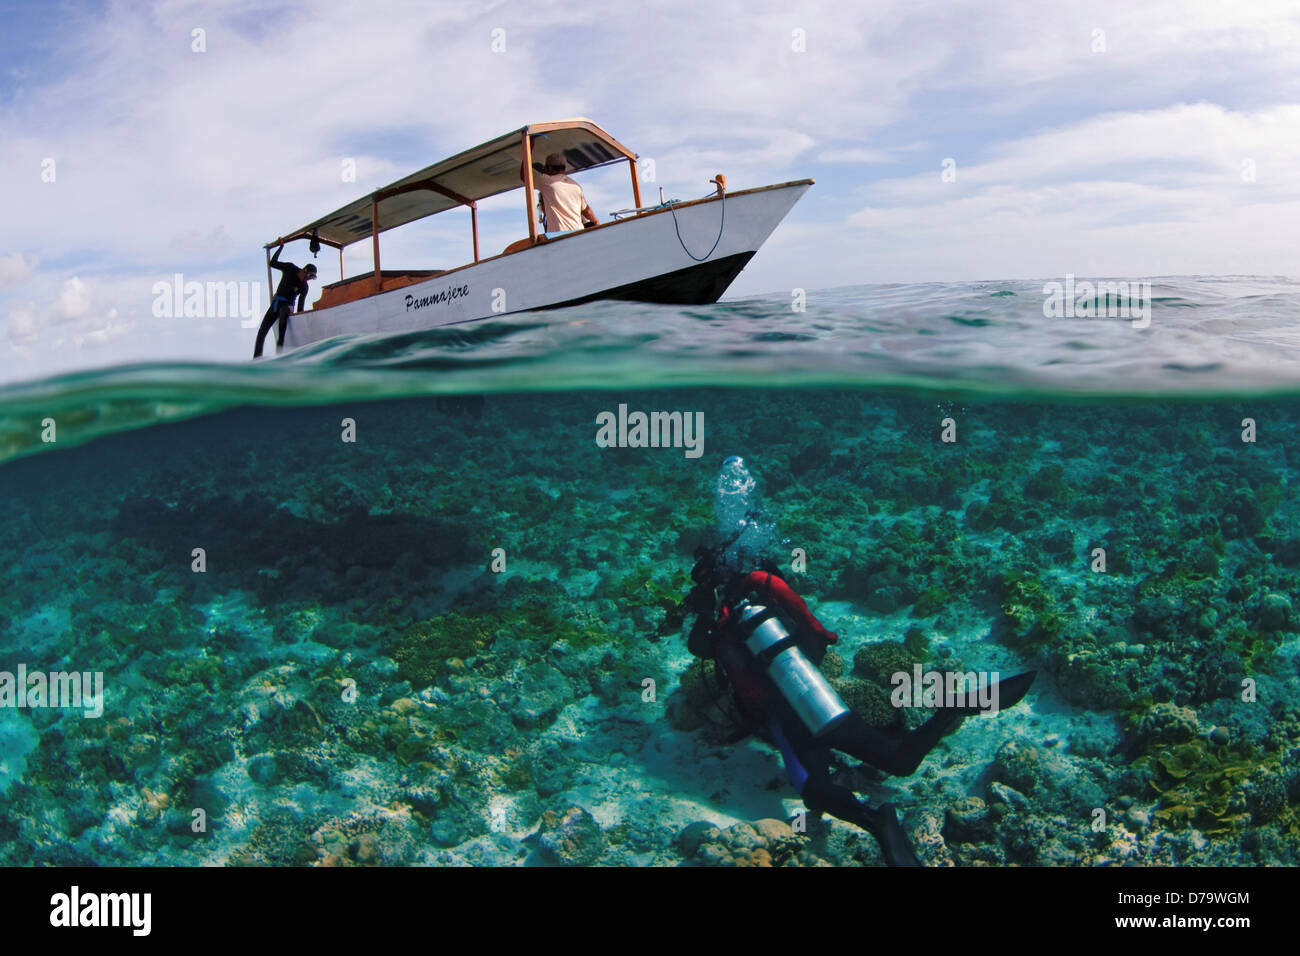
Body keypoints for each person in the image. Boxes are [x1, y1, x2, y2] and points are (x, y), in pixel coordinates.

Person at [678, 457, 1036, 866]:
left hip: (781, 714)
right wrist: (806, 656)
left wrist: (704, 613)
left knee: (811, 788)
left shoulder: (723, 616)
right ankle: (949, 711)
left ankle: (878, 821)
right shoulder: (765, 585)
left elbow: (703, 651)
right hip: (814, 690)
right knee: (899, 761)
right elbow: (820, 634)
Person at [253, 242, 316, 358]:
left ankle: (279, 356)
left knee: (282, 323)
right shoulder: (290, 268)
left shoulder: (304, 286)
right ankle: (256, 358)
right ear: (305, 270)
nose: (309, 279)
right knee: (262, 331)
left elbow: (300, 307)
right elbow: (272, 263)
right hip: (276, 302)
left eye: (312, 278)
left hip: (288, 306)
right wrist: (281, 247)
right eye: (310, 276)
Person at [520, 148, 599, 236]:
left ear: (549, 168)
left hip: (559, 235)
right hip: (578, 234)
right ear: (564, 168)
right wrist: (596, 222)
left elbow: (524, 176)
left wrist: (529, 147)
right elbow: (587, 211)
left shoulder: (546, 181)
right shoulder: (576, 186)